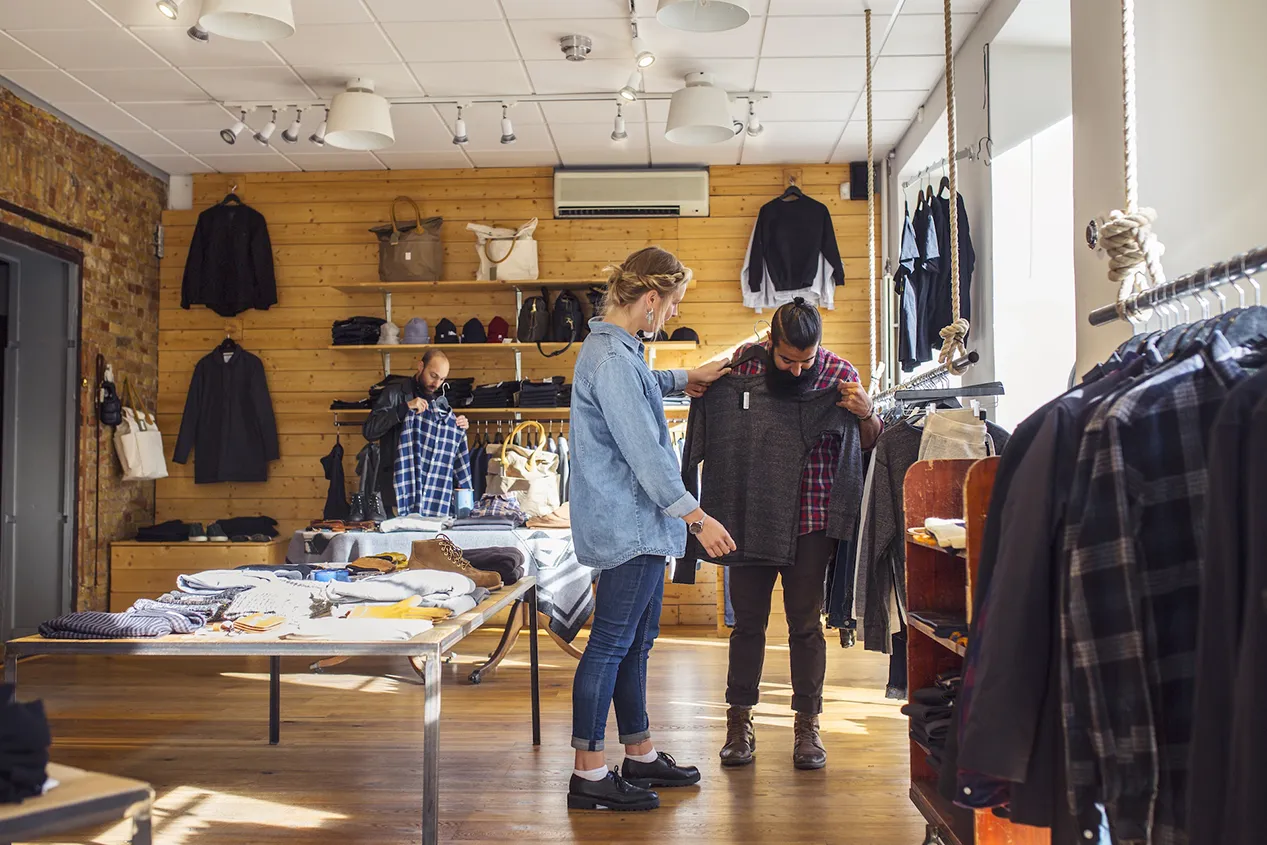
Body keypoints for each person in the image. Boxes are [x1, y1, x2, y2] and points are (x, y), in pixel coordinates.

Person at [567, 246, 735, 812]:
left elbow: (640, 384)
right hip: (630, 525)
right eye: (671, 306)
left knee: (635, 643)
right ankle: (588, 776)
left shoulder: (616, 351)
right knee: (611, 646)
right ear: (649, 299)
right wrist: (697, 515)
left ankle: (638, 753)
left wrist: (685, 376)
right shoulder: (613, 361)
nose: (669, 316)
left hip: (633, 524)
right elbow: (645, 451)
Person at [719, 297, 880, 771]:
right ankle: (739, 723)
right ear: (771, 342)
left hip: (812, 521)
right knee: (747, 623)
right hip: (750, 518)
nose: (795, 370)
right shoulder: (745, 366)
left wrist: (867, 413)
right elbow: (718, 405)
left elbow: (869, 440)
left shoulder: (838, 375)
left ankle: (807, 727)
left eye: (805, 361)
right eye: (787, 359)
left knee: (805, 626)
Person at [362, 350, 469, 515]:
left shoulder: (437, 403)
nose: (436, 383)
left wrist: (459, 425)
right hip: (397, 491)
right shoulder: (394, 393)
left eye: (442, 379)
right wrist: (404, 408)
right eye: (433, 375)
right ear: (420, 366)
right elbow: (370, 431)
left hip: (430, 496)